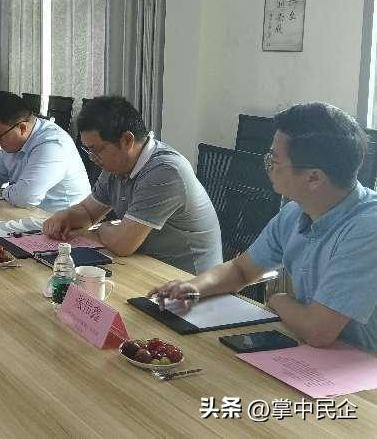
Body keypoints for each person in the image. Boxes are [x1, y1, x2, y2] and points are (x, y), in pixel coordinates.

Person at [151, 103, 377, 350]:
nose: (267, 167)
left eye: (274, 161)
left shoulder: (368, 229)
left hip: (362, 363)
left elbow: (318, 330)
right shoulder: (295, 212)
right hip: (317, 352)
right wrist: (193, 288)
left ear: (314, 178)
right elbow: (241, 270)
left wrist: (277, 299)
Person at [43, 96, 223, 274]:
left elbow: (122, 244)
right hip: (145, 264)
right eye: (88, 150)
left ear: (127, 141)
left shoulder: (165, 171)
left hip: (187, 279)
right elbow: (88, 212)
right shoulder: (116, 166)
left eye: (96, 149)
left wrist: (102, 228)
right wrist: (65, 216)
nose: (91, 157)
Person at [0, 92, 90, 213]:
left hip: (65, 220)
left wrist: (3, 191)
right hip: (30, 213)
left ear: (22, 128)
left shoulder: (52, 145)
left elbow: (26, 197)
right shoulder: (13, 141)